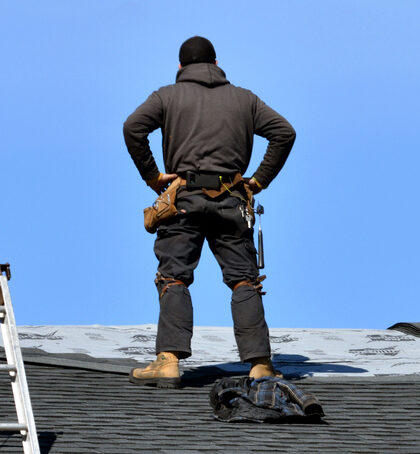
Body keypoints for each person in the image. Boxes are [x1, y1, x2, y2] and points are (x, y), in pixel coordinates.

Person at [123, 36, 295, 387]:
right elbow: (284, 132)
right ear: (217, 65)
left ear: (180, 68)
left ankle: (168, 360)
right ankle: (260, 363)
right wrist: (257, 182)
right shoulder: (245, 99)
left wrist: (154, 177)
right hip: (232, 198)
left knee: (174, 275)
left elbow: (133, 128)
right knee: (244, 279)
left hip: (183, 199)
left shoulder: (166, 97)